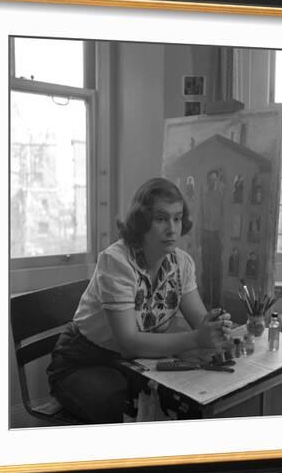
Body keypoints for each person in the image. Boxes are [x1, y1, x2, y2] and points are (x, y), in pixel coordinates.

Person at [47, 178, 233, 424]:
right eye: (161, 219)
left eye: (177, 218)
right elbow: (130, 342)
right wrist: (197, 339)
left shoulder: (182, 263)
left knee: (182, 404)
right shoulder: (116, 262)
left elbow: (200, 321)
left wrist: (215, 327)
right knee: (129, 411)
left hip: (136, 363)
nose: (172, 229)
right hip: (83, 361)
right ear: (142, 221)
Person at [200, 169, 225, 308]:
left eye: (214, 180)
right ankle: (206, 300)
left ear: (217, 181)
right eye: (210, 180)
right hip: (205, 234)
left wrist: (222, 238)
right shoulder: (204, 197)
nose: (212, 182)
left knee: (216, 270)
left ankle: (216, 302)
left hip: (216, 235)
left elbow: (224, 217)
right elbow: (200, 217)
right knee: (206, 270)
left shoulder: (220, 197)